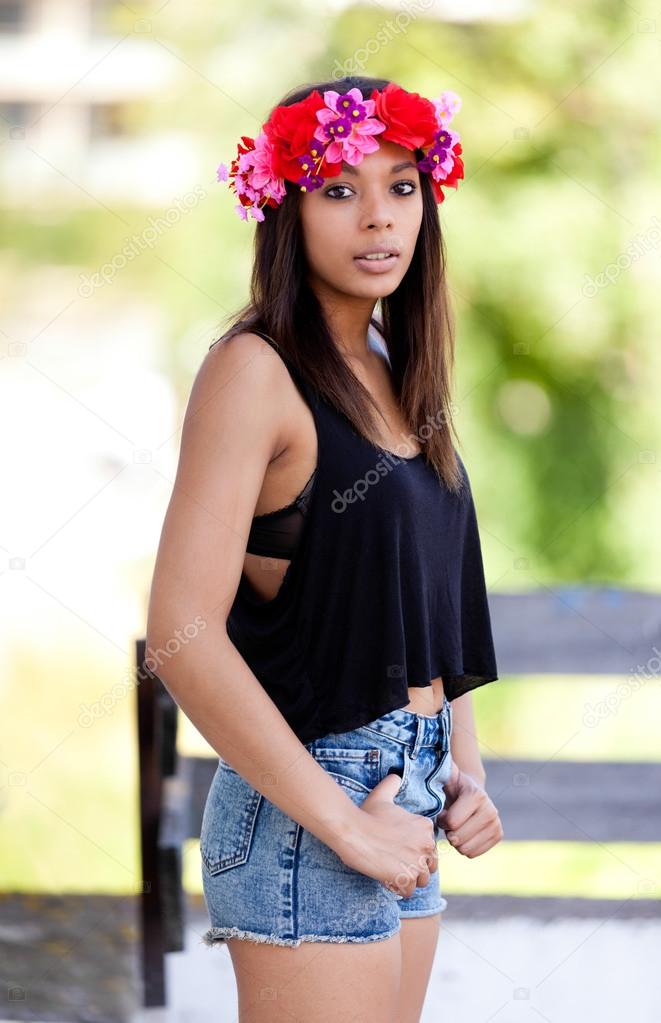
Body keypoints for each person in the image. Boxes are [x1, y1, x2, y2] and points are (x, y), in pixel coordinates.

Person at [145, 75, 503, 1023]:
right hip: (311, 805)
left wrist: (463, 766)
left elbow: (422, 603)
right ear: (285, 207)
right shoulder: (255, 371)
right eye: (339, 190)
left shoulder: (393, 361)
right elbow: (181, 633)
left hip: (408, 788)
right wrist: (344, 822)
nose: (378, 219)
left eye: (401, 186)